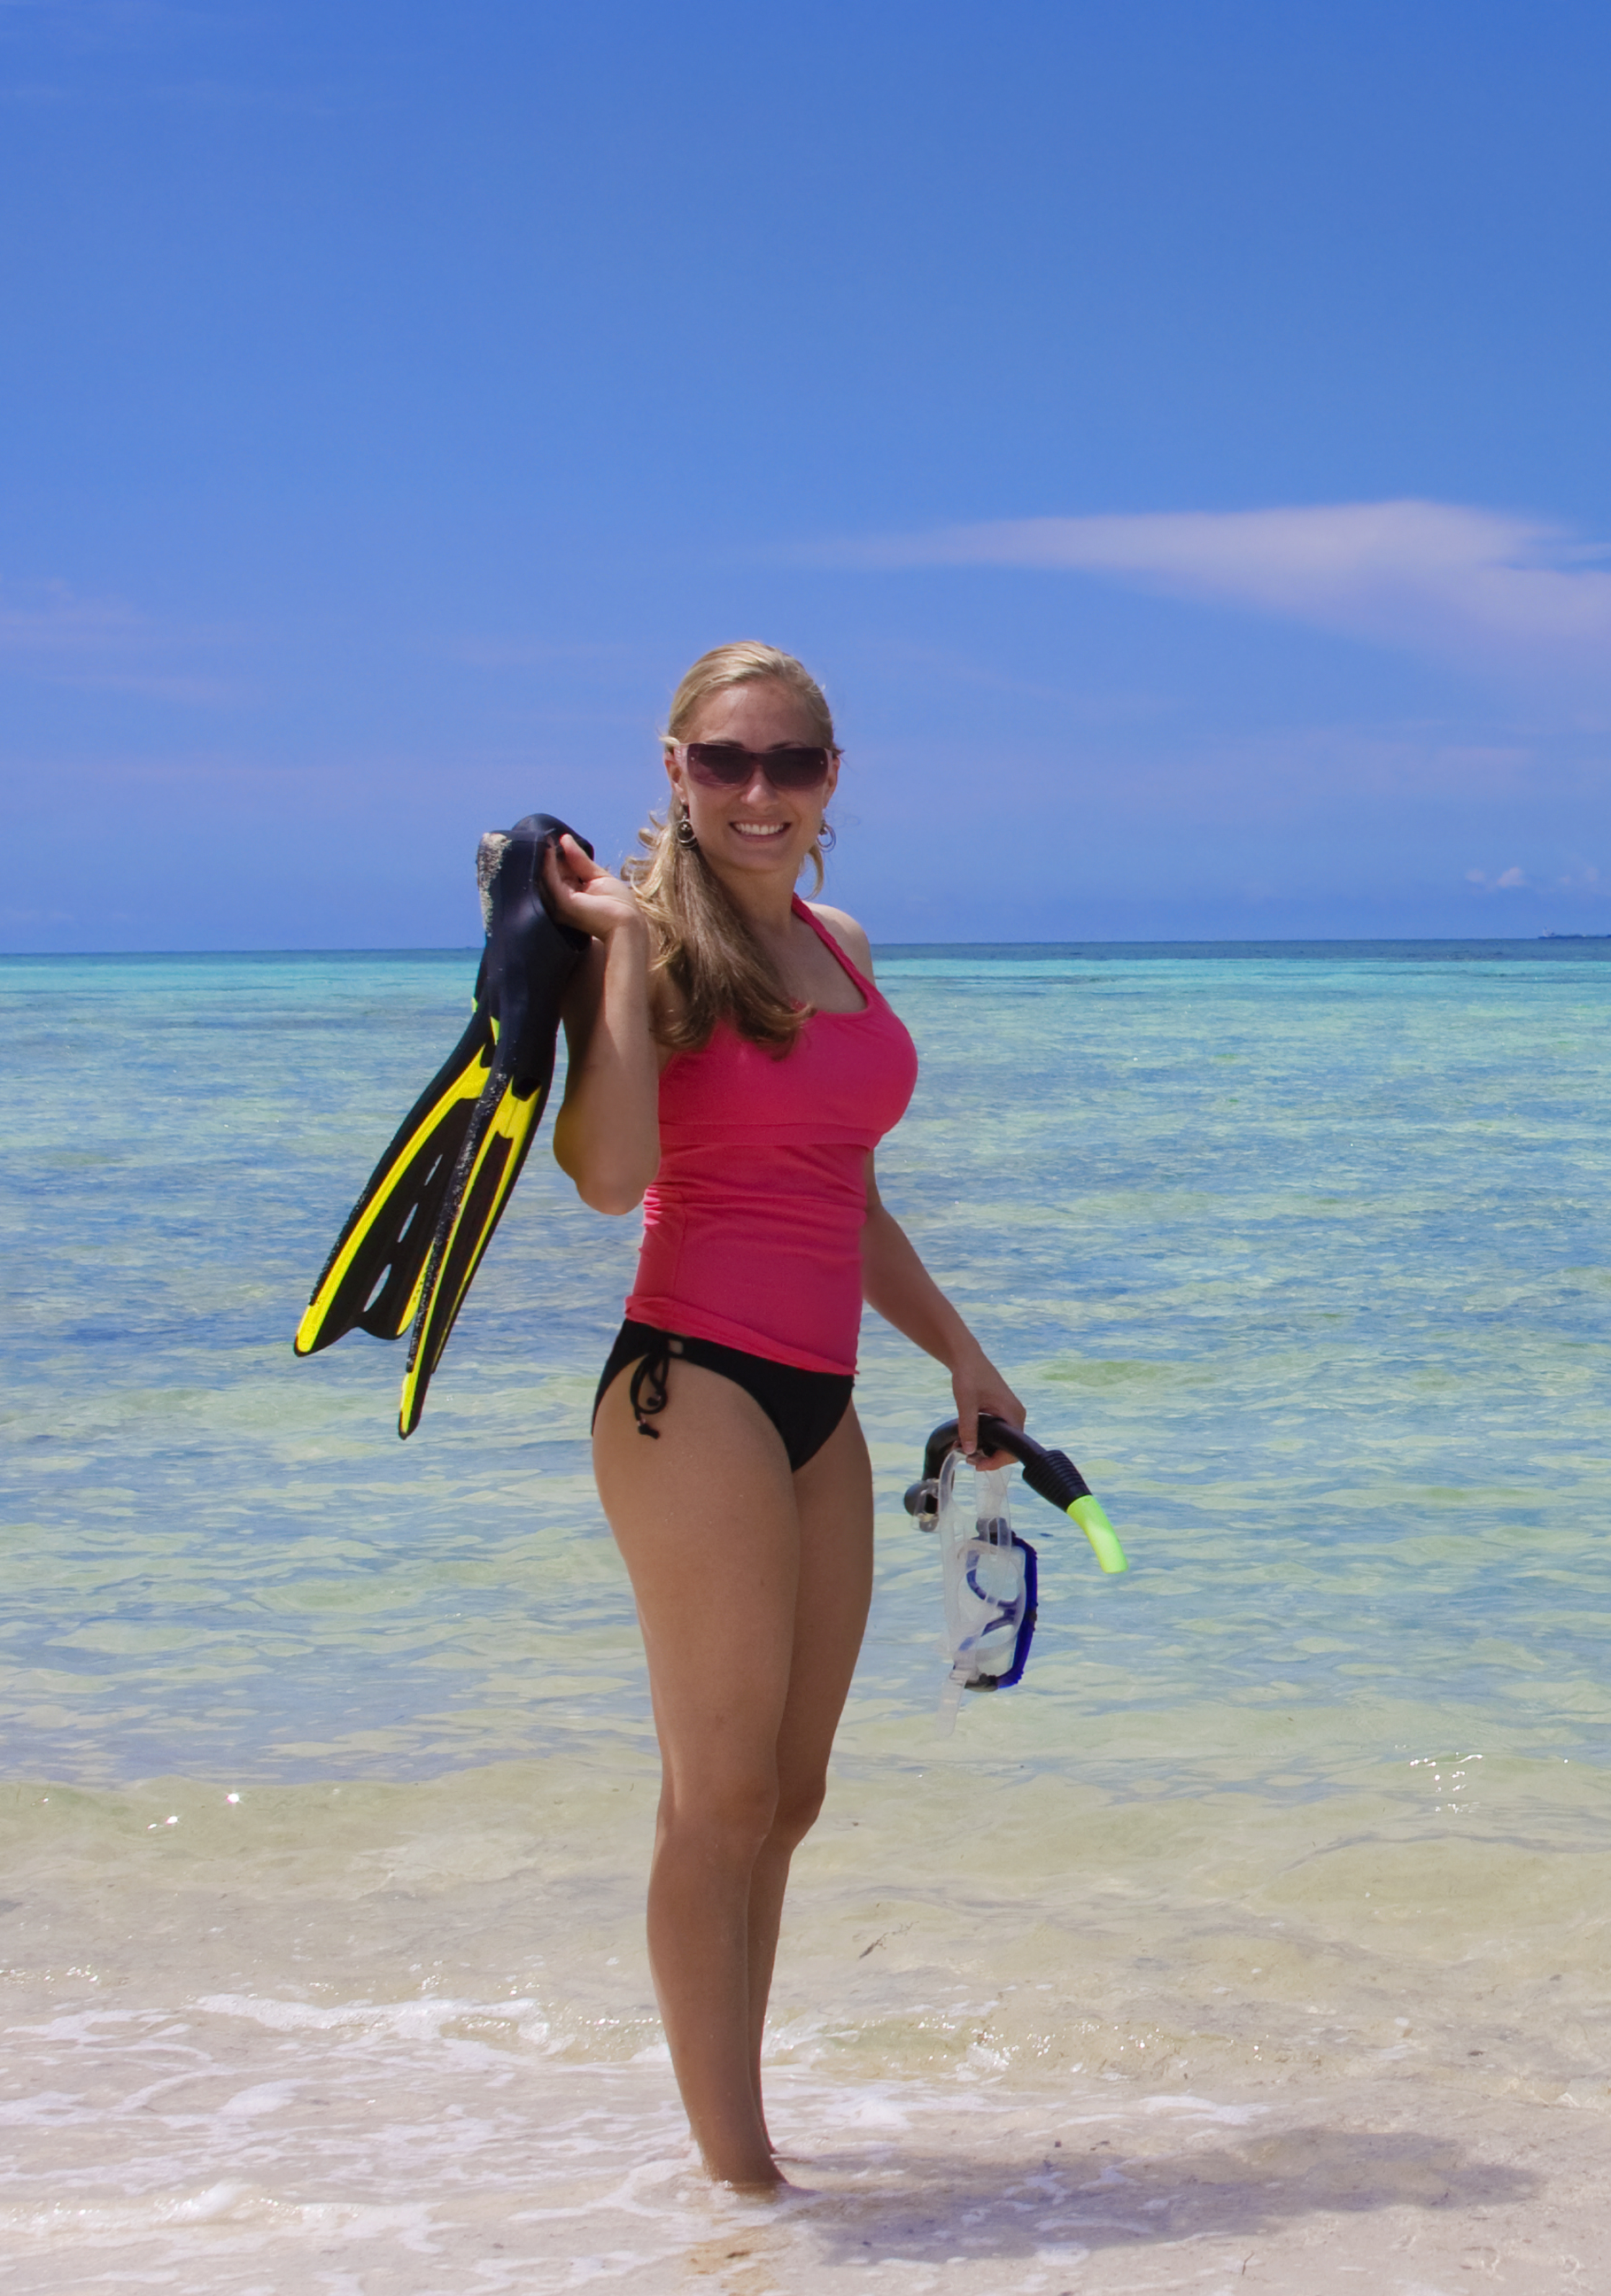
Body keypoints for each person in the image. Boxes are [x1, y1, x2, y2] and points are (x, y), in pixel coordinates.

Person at [538, 640, 1024, 2189]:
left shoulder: (845, 941)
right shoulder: (653, 949)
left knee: (793, 1795)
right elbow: (609, 1178)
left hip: (829, 1399)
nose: (760, 793)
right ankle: (741, 2179)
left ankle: (736, 2142)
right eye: (726, 763)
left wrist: (961, 1350)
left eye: (791, 764)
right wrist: (615, 950)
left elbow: (847, 1194)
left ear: (832, 785)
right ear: (673, 770)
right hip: (692, 1383)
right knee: (720, 1791)